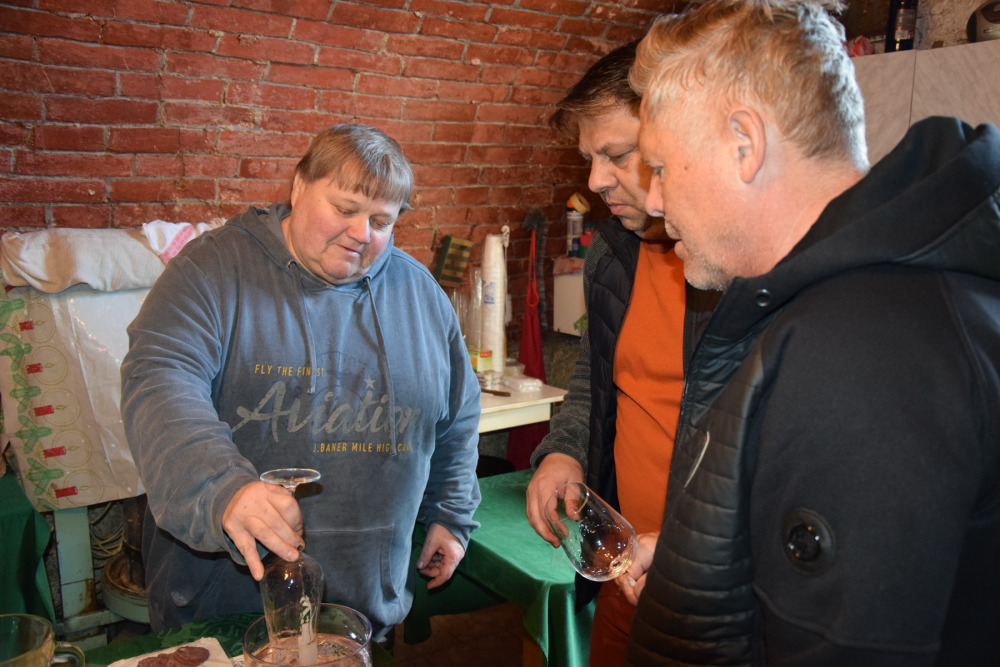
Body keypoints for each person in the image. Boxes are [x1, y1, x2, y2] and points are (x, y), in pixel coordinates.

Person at [626, 1, 1000, 664]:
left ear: (744, 145)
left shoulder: (860, 352)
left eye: (659, 167)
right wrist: (708, 559)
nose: (653, 201)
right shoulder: (860, 298)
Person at [120, 124, 482, 640]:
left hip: (361, 611)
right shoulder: (211, 271)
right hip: (224, 610)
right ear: (298, 186)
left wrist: (449, 511)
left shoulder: (420, 294)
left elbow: (458, 412)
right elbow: (160, 380)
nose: (362, 233)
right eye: (345, 208)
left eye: (381, 221)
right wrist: (222, 487)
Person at [524, 41, 718, 665]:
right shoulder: (612, 252)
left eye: (617, 155)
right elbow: (597, 377)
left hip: (704, 582)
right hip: (624, 568)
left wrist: (696, 551)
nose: (595, 181)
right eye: (589, 158)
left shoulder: (726, 264)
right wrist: (565, 452)